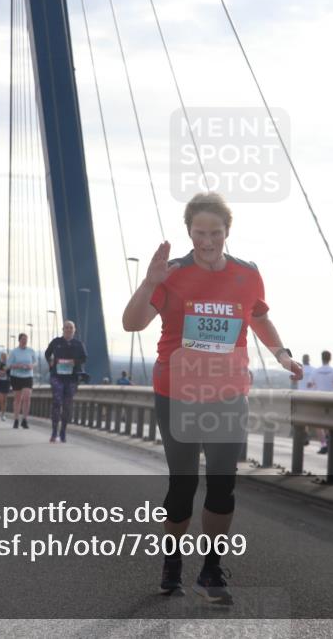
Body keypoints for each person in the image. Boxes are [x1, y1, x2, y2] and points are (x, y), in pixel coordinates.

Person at [122, 192, 302, 603]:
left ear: (227, 233)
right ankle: (172, 561)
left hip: (227, 392)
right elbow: (132, 323)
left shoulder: (247, 273)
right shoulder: (171, 274)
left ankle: (210, 569)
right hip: (178, 392)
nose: (207, 240)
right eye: (200, 232)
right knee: (182, 486)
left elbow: (256, 315)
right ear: (189, 232)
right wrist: (150, 282)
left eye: (215, 233)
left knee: (223, 484)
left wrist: (280, 352)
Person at [44, 320, 87, 443]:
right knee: (57, 402)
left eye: (71, 328)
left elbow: (84, 358)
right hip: (57, 376)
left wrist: (75, 362)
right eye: (66, 327)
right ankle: (54, 432)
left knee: (67, 406)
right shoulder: (56, 342)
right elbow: (47, 353)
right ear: (63, 329)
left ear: (74, 330)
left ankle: (63, 431)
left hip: (72, 378)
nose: (68, 329)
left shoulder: (78, 344)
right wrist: (50, 361)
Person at [308, 350, 333, 454]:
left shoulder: (316, 371)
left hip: (319, 399)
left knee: (319, 424)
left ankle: (323, 444)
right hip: (331, 399)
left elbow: (310, 384)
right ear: (330, 358)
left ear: (321, 358)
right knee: (329, 423)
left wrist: (316, 387)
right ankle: (328, 440)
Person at [8, 333, 36, 429]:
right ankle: (16, 419)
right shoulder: (14, 352)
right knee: (18, 398)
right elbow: (8, 365)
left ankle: (24, 419)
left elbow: (35, 362)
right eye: (23, 339)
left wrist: (31, 366)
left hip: (28, 376)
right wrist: (17, 366)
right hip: (16, 376)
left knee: (27, 397)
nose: (24, 341)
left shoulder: (31, 351)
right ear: (19, 340)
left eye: (26, 339)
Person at [0, 353, 11, 420]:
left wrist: (6, 371)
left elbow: (11, 373)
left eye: (6, 356)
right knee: (0, 399)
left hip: (6, 382)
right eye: (3, 357)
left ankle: (3, 414)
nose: (4, 358)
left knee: (5, 400)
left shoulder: (9, 365)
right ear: (1, 357)